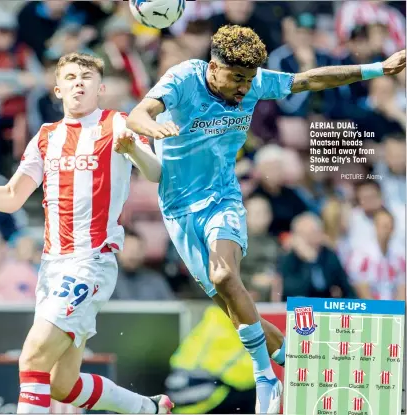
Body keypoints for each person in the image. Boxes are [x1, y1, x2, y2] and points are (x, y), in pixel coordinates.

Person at [126, 23, 405, 413]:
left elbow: (309, 80)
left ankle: (265, 378)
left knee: (226, 277)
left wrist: (377, 68)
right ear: (214, 65)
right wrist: (152, 126)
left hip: (222, 199)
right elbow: (138, 113)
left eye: (250, 79)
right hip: (176, 211)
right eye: (237, 78)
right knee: (239, 310)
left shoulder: (254, 83)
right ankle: (304, 367)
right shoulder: (184, 79)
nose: (245, 88)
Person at [0, 52, 172, 414]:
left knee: (32, 355)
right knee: (63, 385)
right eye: (71, 77)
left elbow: (156, 172)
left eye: (86, 77)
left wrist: (135, 153)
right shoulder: (46, 136)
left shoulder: (119, 124)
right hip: (52, 267)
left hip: (91, 261)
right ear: (58, 89)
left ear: (101, 87)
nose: (78, 82)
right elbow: (14, 197)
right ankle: (150, 408)